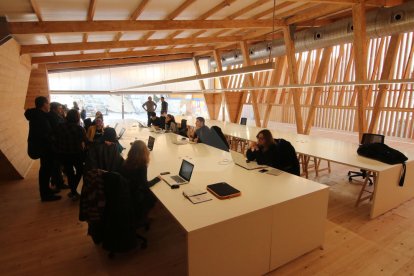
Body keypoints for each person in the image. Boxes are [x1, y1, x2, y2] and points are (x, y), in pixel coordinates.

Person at [25, 96, 62, 202]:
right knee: (45, 171)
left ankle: (47, 190)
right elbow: (45, 134)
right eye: (48, 103)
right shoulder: (40, 117)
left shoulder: (38, 115)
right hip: (44, 148)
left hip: (43, 148)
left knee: (46, 170)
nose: (49, 105)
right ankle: (45, 195)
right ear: (44, 104)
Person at [121, 140, 160, 219]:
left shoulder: (127, 161)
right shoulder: (142, 165)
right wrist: (156, 179)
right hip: (135, 194)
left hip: (125, 192)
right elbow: (145, 185)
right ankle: (141, 215)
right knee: (153, 196)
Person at [55, 109, 88, 201]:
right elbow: (86, 141)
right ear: (77, 117)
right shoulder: (79, 129)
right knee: (80, 171)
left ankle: (73, 191)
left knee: (69, 173)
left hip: (64, 154)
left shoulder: (60, 127)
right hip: (77, 154)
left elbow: (56, 139)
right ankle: (76, 190)